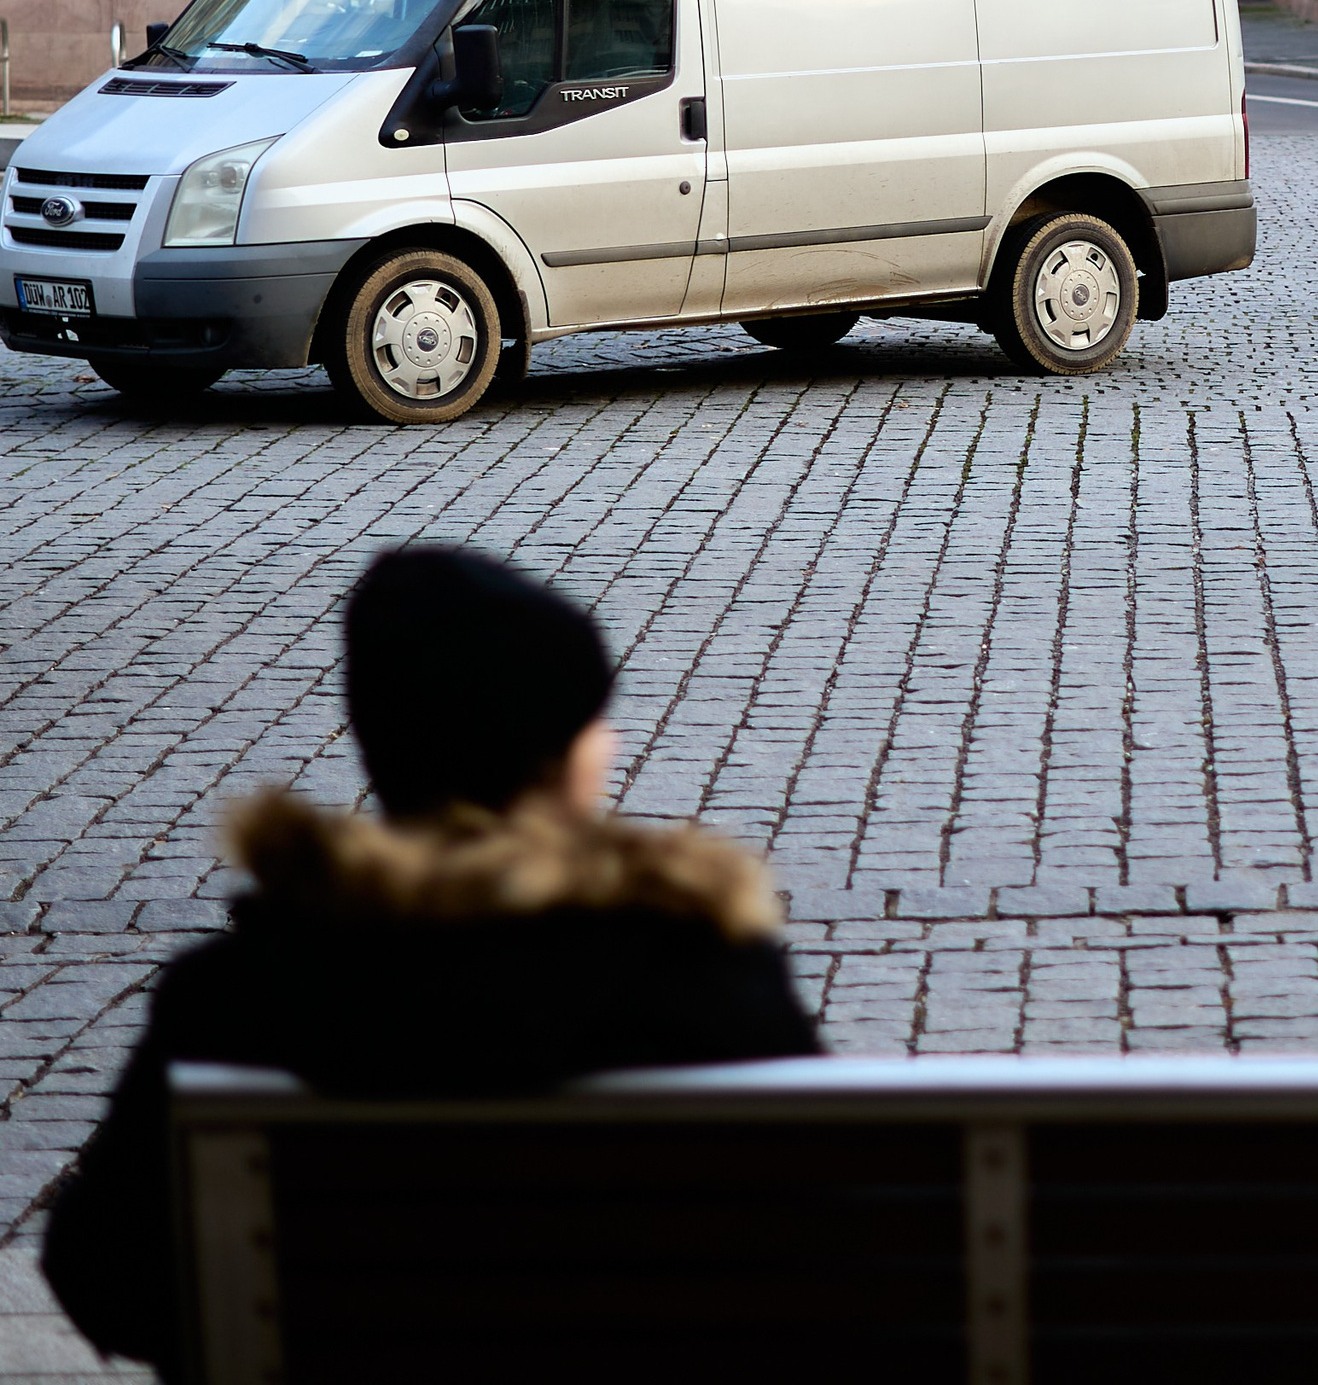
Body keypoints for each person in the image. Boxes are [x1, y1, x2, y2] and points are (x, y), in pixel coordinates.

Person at [43, 547, 822, 1375]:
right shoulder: (704, 969)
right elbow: (827, 1242)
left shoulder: (235, 996)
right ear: (562, 758)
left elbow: (105, 1275)